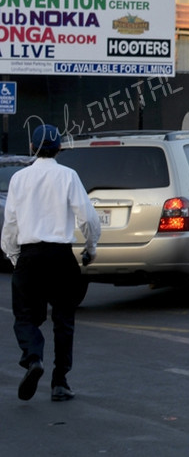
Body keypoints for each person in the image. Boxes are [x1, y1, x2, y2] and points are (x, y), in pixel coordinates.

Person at [1, 124, 101, 402]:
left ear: (32, 148)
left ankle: (34, 357)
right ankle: (60, 382)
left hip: (30, 255)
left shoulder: (19, 179)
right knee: (63, 320)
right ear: (59, 149)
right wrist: (90, 248)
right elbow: (88, 219)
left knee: (24, 316)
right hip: (60, 255)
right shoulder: (68, 176)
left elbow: (10, 223)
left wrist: (13, 256)